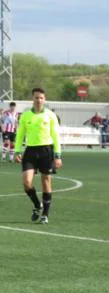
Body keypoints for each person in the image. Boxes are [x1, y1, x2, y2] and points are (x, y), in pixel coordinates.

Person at [14, 88, 62, 224]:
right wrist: (17, 151)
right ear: (32, 99)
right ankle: (37, 204)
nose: (39, 100)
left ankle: (45, 214)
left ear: (44, 99)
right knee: (27, 182)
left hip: (46, 150)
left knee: (46, 181)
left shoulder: (50, 115)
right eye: (36, 97)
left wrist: (58, 155)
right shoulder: (25, 115)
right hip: (30, 151)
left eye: (41, 98)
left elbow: (56, 135)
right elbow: (20, 134)